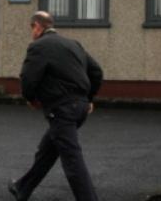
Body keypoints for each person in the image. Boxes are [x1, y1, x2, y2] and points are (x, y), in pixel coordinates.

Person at [8, 11, 103, 201]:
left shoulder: (39, 46)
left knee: (72, 159)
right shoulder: (73, 44)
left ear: (37, 26)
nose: (31, 33)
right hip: (80, 108)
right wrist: (89, 99)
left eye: (31, 28)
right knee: (47, 151)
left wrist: (30, 98)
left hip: (62, 110)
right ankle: (22, 188)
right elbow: (97, 72)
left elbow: (28, 78)